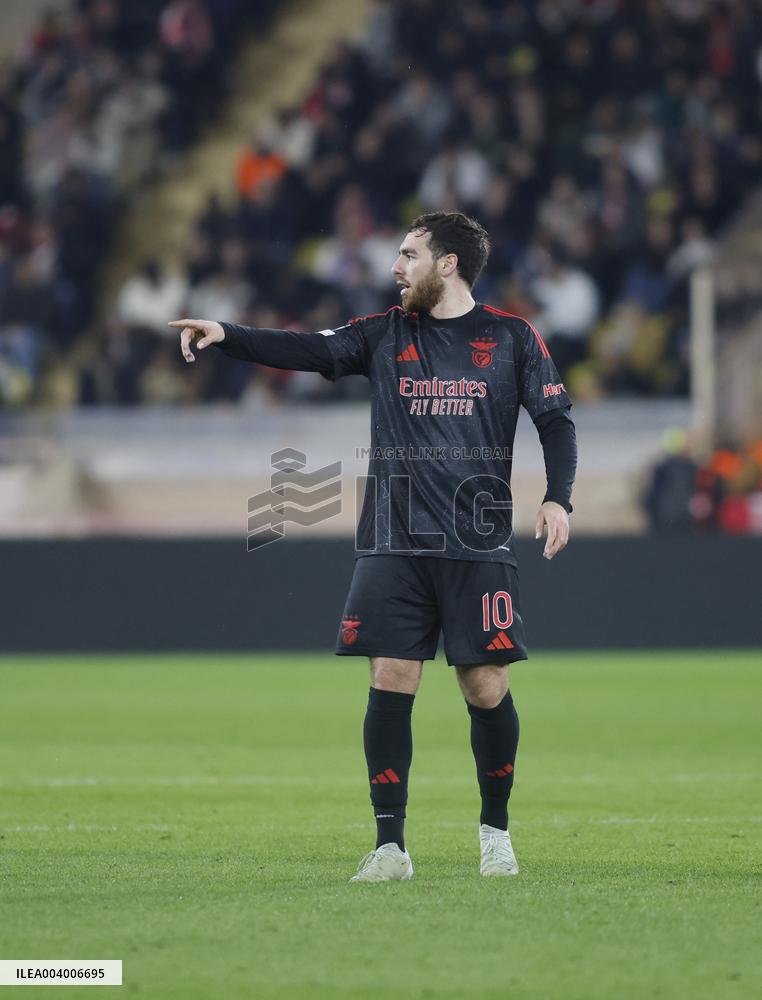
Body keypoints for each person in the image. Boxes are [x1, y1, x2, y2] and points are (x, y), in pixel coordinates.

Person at [169, 212, 577, 882]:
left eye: (409, 254)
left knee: (485, 685)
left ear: (448, 264)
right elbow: (308, 348)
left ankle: (495, 832)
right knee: (390, 676)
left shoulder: (510, 338)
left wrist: (558, 497)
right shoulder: (384, 335)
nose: (395, 267)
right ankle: (391, 846)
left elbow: (557, 424)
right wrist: (228, 336)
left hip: (476, 544)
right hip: (392, 541)